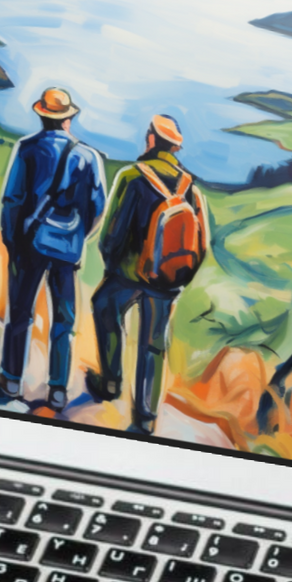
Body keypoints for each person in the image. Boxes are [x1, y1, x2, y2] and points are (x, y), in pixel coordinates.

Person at [87, 115, 212, 436]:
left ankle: (110, 382)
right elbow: (203, 242)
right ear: (175, 147)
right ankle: (145, 417)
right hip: (169, 278)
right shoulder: (190, 186)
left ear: (151, 139)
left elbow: (111, 234)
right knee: (154, 344)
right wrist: (179, 275)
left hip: (129, 274)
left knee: (104, 306)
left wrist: (114, 265)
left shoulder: (132, 176)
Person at [0, 86, 108, 410]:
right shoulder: (88, 156)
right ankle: (58, 389)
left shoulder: (27, 149)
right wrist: (77, 236)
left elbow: (12, 199)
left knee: (20, 314)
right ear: (68, 119)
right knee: (64, 319)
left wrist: (12, 239)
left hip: (28, 245)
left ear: (42, 116)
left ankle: (11, 379)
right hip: (67, 249)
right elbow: (97, 206)